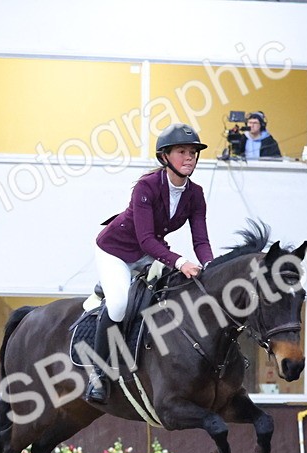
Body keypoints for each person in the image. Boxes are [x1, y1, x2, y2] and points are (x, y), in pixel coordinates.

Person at [88, 123, 214, 403]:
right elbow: (145, 239)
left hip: (151, 254)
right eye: (182, 151)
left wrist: (210, 266)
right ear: (165, 156)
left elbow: (201, 240)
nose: (190, 157)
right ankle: (97, 374)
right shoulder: (147, 187)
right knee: (119, 304)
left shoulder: (195, 194)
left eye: (193, 152)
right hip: (116, 251)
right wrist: (180, 262)